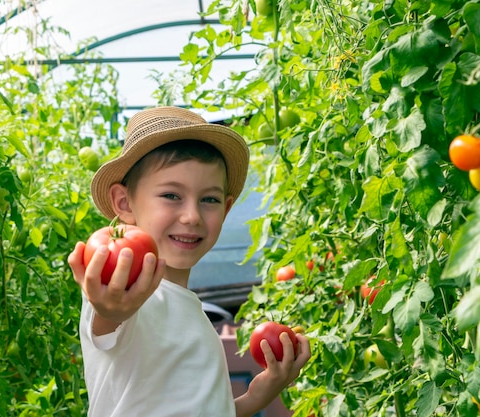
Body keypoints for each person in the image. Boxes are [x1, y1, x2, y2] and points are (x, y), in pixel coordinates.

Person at [68, 106, 311, 417]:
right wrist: (108, 310)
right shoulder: (124, 292)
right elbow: (107, 317)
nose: (192, 216)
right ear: (124, 203)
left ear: (226, 209)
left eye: (209, 200)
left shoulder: (189, 309)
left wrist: (254, 398)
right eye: (171, 195)